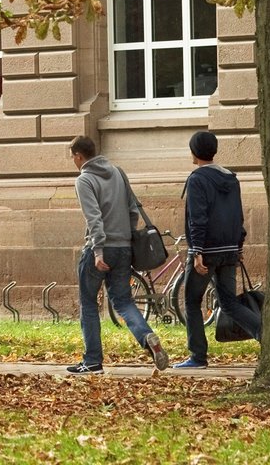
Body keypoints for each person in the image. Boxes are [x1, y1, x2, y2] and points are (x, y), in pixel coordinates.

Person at [67, 136, 168, 374]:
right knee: (123, 301)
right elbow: (133, 210)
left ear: (79, 156)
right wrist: (127, 238)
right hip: (124, 247)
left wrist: (98, 250)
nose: (73, 161)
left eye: (72, 156)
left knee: (89, 303)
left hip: (100, 249)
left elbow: (93, 218)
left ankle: (92, 361)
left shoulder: (84, 180)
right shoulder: (118, 172)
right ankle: (147, 337)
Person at [174, 131, 261, 369]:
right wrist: (239, 244)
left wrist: (197, 251)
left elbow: (198, 218)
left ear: (194, 151)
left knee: (192, 301)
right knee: (230, 302)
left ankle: (198, 356)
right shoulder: (231, 179)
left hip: (207, 250)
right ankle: (267, 337)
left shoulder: (196, 180)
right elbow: (238, 215)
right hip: (230, 249)